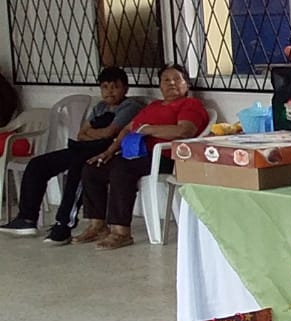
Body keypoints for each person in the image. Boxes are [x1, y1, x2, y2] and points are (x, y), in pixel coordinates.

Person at [0, 67, 144, 244]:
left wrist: (93, 134)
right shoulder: (100, 106)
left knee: (78, 170)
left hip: (106, 152)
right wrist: (96, 134)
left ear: (125, 89)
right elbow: (81, 134)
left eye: (115, 87)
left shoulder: (130, 107)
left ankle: (63, 225)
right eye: (105, 87)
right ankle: (26, 219)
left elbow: (109, 133)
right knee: (38, 164)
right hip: (82, 148)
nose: (109, 91)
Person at [75, 65, 210, 250]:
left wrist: (149, 129)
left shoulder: (190, 105)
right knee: (93, 167)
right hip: (139, 153)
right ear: (160, 86)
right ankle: (97, 225)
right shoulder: (154, 106)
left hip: (166, 156)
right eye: (166, 80)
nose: (171, 83)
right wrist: (109, 152)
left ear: (186, 84)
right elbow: (128, 128)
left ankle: (121, 232)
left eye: (177, 79)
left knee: (122, 169)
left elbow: (184, 131)